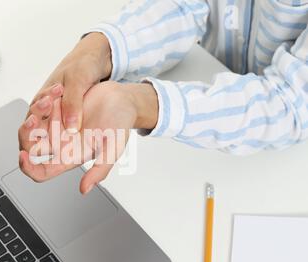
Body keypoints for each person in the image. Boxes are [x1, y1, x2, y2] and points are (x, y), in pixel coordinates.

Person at [18, 0, 308, 194]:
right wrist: (98, 51)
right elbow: (184, 5)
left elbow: (291, 101)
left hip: (276, 173)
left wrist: (139, 103)